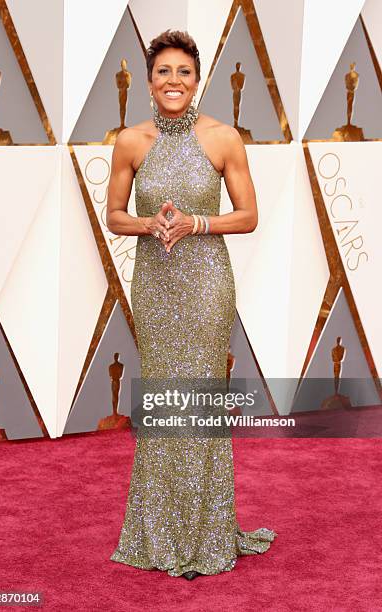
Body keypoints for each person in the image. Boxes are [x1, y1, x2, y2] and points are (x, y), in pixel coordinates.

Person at [106, 30, 276, 580]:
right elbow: (114, 216)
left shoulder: (224, 138)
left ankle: (206, 534)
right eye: (163, 72)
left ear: (197, 80)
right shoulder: (130, 141)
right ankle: (157, 531)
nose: (173, 81)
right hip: (155, 283)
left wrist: (198, 222)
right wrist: (148, 223)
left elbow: (248, 216)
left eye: (183, 72)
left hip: (205, 284)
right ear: (149, 82)